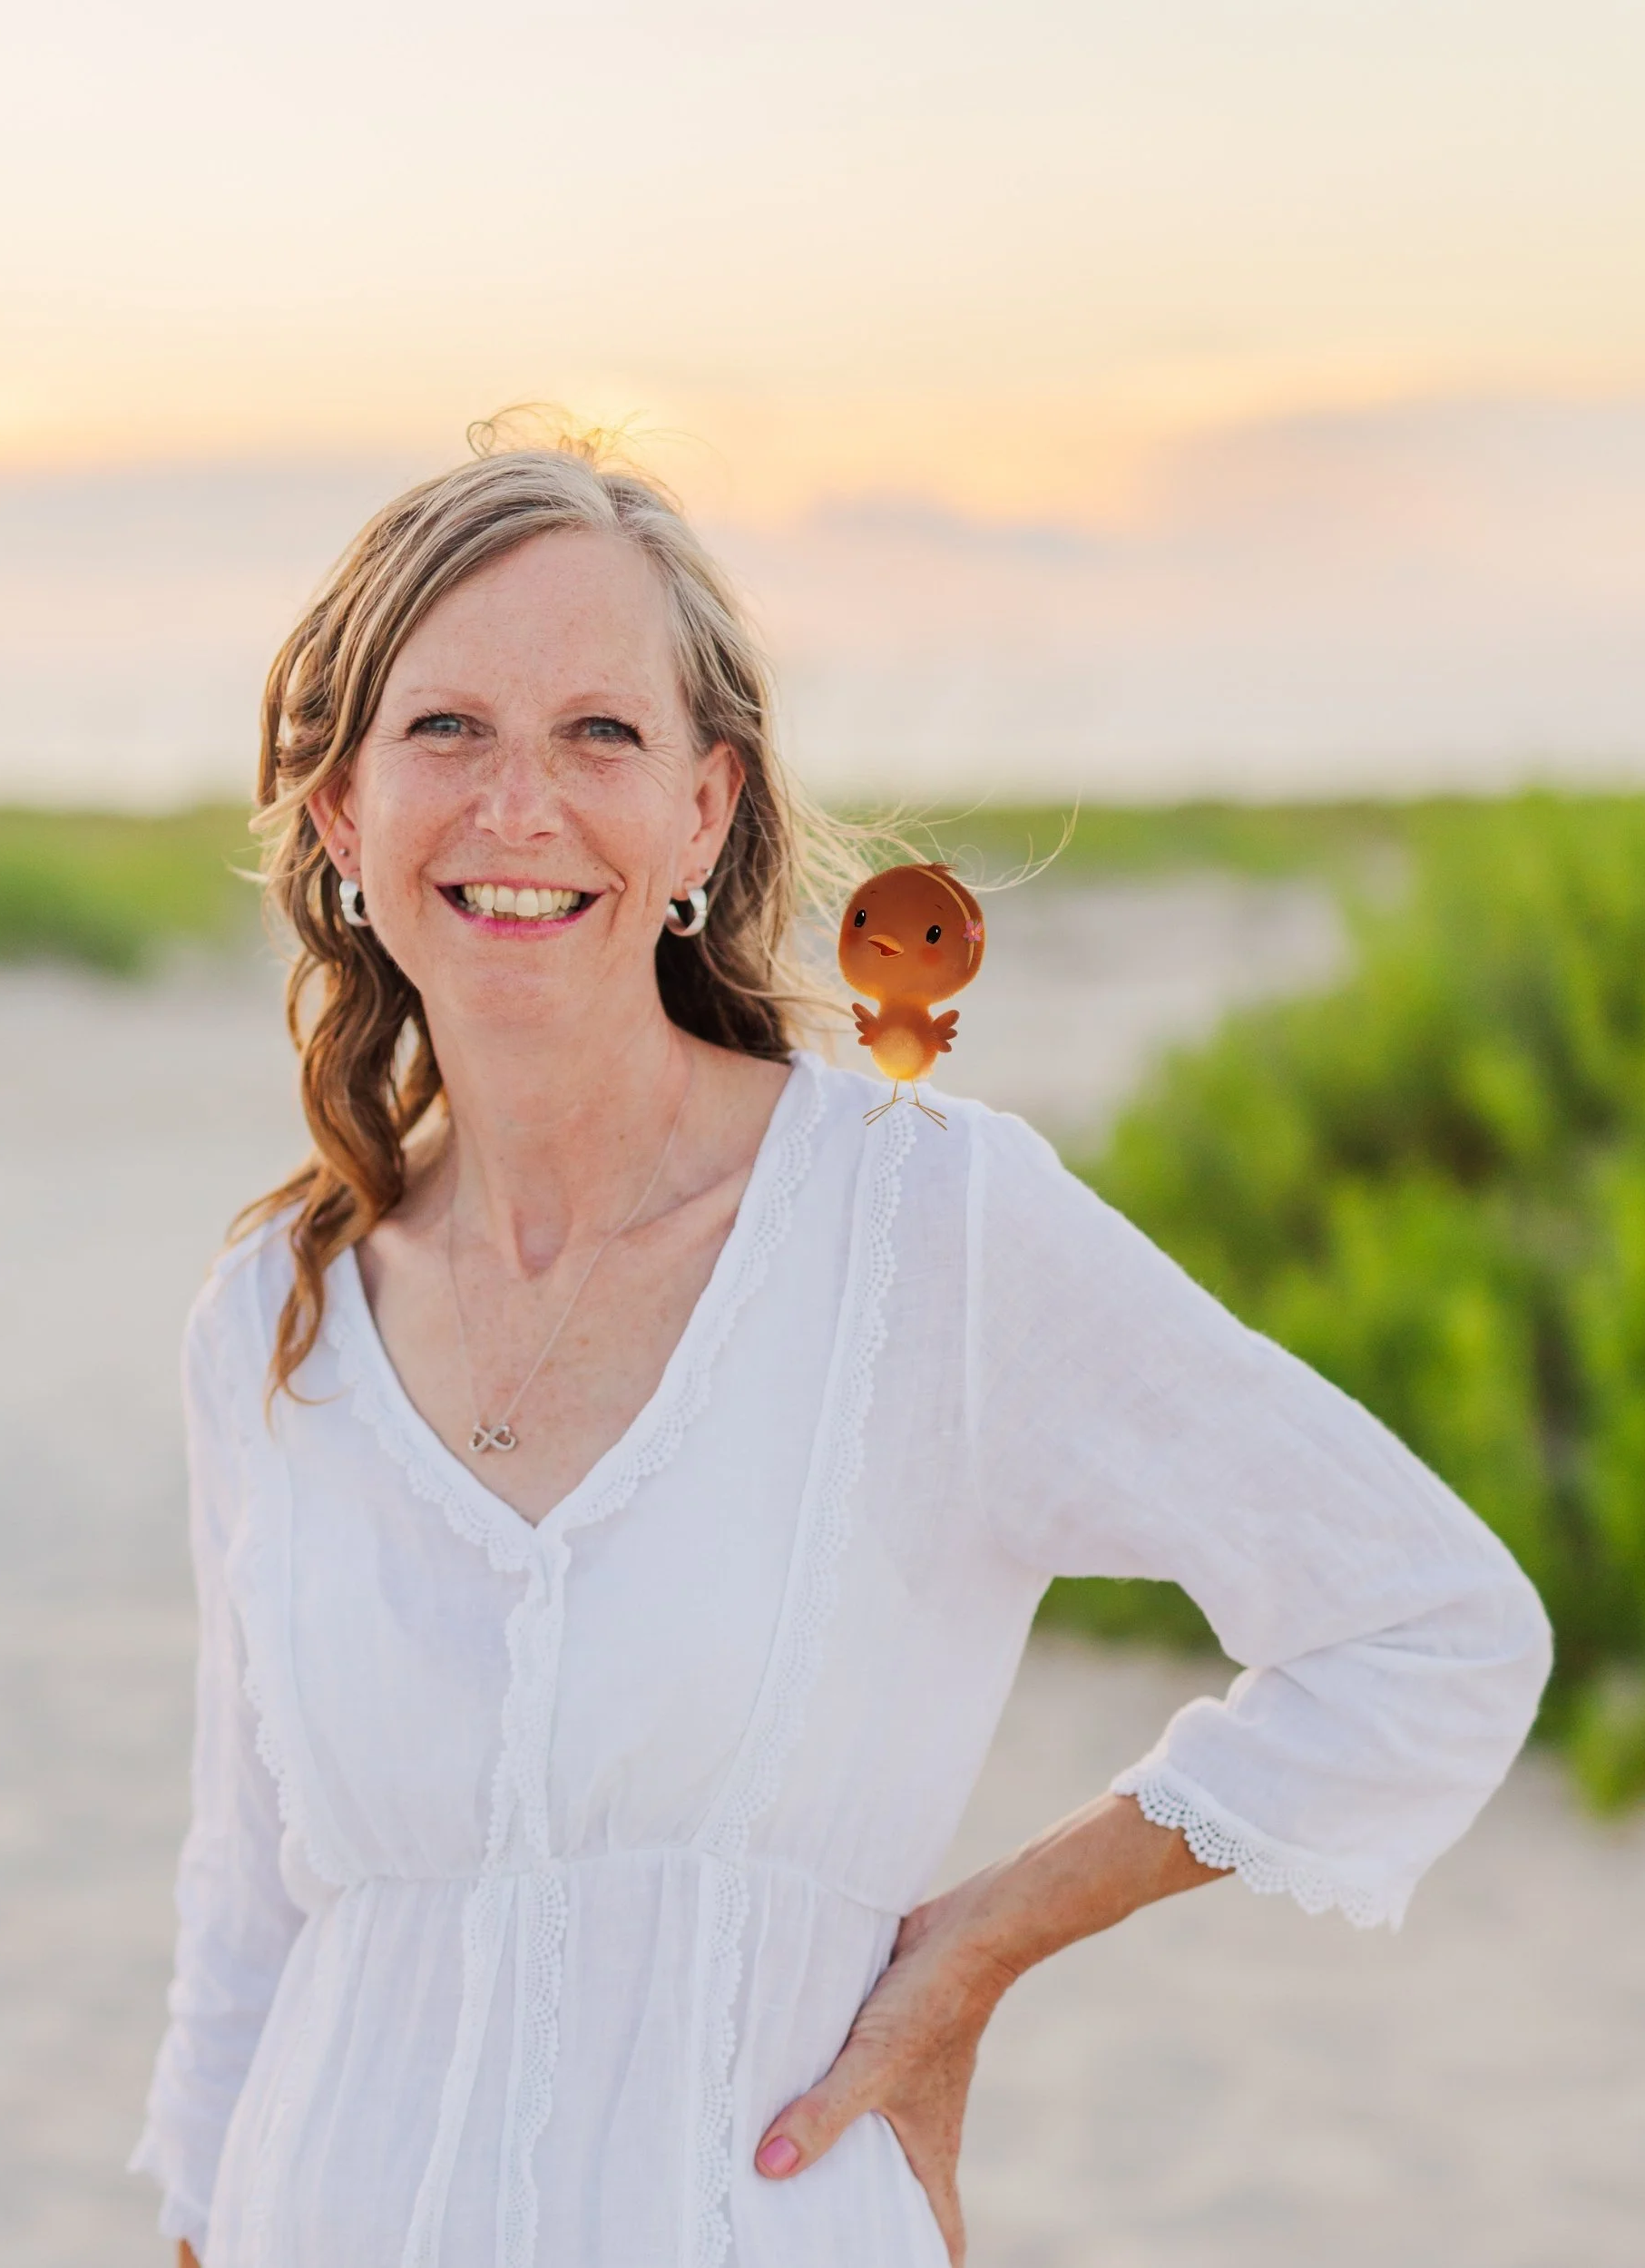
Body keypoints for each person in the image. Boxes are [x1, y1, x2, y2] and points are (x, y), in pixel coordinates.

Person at [128, 432, 1550, 2268]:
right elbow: (246, 1925)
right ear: (340, 814)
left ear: (703, 813)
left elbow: (1431, 1624)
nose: (517, 805)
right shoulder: (274, 1315)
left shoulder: (918, 1227)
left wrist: (980, 1946)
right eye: (446, 729)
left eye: (600, 733)